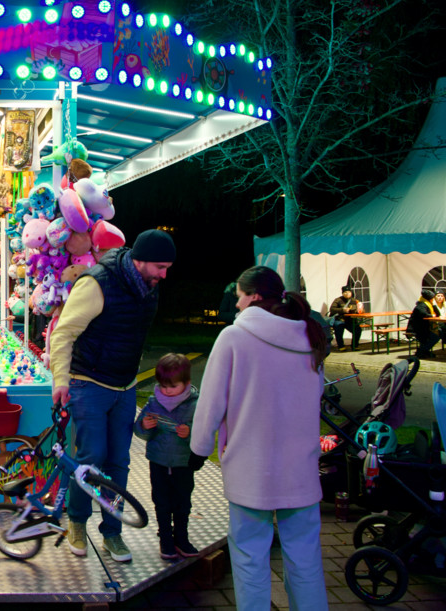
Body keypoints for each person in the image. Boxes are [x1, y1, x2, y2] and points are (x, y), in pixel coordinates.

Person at [191, 265, 329, 610]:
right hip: (301, 469)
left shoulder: (235, 337)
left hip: (251, 470)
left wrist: (199, 448)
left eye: (238, 296)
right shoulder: (309, 337)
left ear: (253, 296)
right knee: (306, 558)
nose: (235, 305)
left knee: (250, 557)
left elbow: (210, 402)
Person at [49, 228, 176, 563]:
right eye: (160, 267)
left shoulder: (149, 288)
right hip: (88, 382)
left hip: (124, 385)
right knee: (91, 457)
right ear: (140, 261)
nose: (164, 275)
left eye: (168, 268)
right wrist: (60, 380)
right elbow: (64, 333)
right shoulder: (96, 283)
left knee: (119, 462)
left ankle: (113, 532)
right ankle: (77, 522)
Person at [133, 353, 204, 561]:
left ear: (186, 383)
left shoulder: (195, 404)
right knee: (161, 501)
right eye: (163, 386)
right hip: (158, 461)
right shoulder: (154, 403)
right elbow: (139, 430)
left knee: (183, 502)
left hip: (183, 462)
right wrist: (145, 427)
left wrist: (190, 432)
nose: (167, 391)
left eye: (172, 386)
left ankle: (181, 537)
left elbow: (205, 430)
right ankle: (165, 538)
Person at [407, 288, 442, 359]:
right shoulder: (421, 305)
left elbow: (438, 314)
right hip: (416, 329)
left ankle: (424, 350)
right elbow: (424, 314)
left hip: (424, 327)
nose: (433, 300)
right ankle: (421, 351)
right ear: (428, 299)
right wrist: (432, 315)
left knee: (440, 332)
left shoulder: (429, 305)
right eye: (432, 299)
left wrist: (434, 305)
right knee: (436, 336)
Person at [328, 285, 362, 351]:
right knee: (339, 327)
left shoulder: (354, 300)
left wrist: (360, 310)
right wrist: (342, 310)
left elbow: (358, 309)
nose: (347, 294)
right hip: (340, 319)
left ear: (351, 293)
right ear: (342, 293)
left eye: (348, 292)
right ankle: (341, 346)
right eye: (345, 292)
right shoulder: (338, 300)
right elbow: (332, 309)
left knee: (358, 329)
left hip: (350, 320)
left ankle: (355, 345)